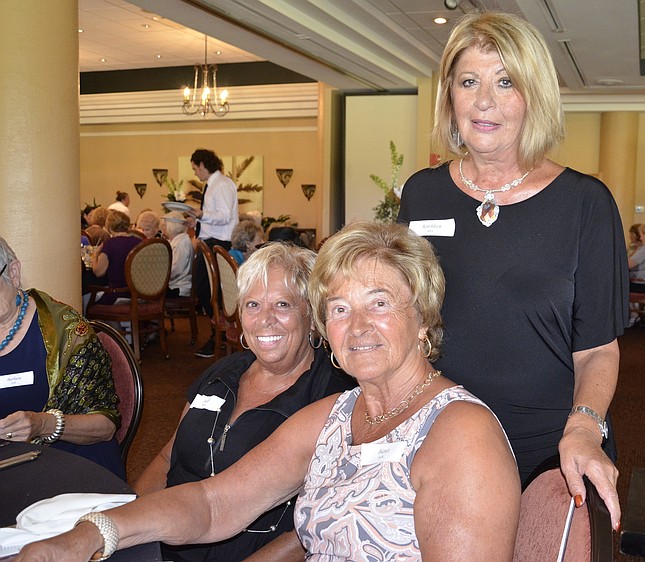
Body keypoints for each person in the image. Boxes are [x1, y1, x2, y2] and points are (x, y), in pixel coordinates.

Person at [16, 222, 520, 562]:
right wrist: (91, 533)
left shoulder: (460, 435)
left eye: (379, 302)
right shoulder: (336, 415)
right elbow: (214, 503)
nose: (357, 326)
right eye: (339, 309)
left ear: (424, 317)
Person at [397, 11, 624, 529]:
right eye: (468, 82)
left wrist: (584, 428)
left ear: (534, 96)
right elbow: (408, 320)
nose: (484, 101)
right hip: (439, 435)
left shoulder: (585, 203)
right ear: (449, 95)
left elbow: (597, 349)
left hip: (546, 448)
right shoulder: (422, 193)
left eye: (505, 82)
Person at [132, 243, 354, 562]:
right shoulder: (222, 373)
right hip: (163, 540)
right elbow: (168, 457)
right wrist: (128, 526)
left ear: (311, 314)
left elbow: (311, 529)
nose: (265, 320)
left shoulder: (332, 399)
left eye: (282, 304)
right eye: (252, 305)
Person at [0, 236, 124, 479]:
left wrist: (45, 424)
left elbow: (106, 426)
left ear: (13, 273)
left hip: (70, 466)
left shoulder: (68, 334)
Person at [185, 148, 239, 358]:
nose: (195, 173)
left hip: (219, 242)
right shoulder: (213, 184)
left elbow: (224, 216)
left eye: (195, 168)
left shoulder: (222, 184)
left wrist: (202, 214)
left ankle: (220, 332)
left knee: (210, 290)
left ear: (203, 164)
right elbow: (215, 216)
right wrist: (197, 221)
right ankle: (218, 332)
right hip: (211, 240)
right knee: (207, 290)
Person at [89, 210, 142, 305]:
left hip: (116, 294)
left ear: (109, 226)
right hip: (138, 294)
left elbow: (98, 272)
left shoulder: (110, 244)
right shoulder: (139, 242)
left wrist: (95, 254)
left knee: (88, 300)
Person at [160, 212, 193, 298]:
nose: (162, 228)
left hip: (178, 287)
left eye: (164, 225)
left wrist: (158, 277)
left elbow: (177, 269)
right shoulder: (176, 240)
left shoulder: (181, 243)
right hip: (173, 284)